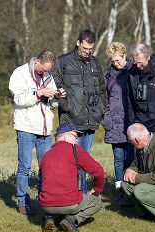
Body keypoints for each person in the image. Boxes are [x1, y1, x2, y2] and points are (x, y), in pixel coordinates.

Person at [9, 50, 64, 215]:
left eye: (48, 70)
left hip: (45, 129)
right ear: (37, 62)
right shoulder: (20, 73)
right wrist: (38, 93)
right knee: (25, 166)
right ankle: (22, 202)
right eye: (42, 69)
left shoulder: (48, 76)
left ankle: (44, 200)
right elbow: (18, 99)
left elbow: (52, 103)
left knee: (46, 167)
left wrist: (57, 97)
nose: (44, 72)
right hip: (26, 127)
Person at [53, 29, 106, 193]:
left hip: (90, 119)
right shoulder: (63, 61)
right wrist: (65, 105)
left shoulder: (95, 63)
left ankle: (81, 194)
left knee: (84, 159)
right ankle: (69, 192)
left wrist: (101, 109)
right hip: (70, 120)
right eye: (85, 48)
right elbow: (54, 85)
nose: (87, 52)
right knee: (70, 159)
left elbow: (102, 89)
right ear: (78, 43)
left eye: (90, 49)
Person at [39, 123, 104, 232]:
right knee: (97, 203)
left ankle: (49, 218)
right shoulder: (74, 150)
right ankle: (71, 220)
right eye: (75, 136)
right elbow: (99, 171)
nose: (77, 140)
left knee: (54, 196)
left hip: (45, 205)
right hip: (69, 203)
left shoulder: (46, 155)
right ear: (65, 136)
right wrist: (97, 189)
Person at [102, 42, 135, 203]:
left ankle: (130, 191)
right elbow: (104, 96)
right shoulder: (108, 74)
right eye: (113, 61)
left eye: (118, 60)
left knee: (130, 157)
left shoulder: (133, 71)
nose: (116, 64)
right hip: (113, 122)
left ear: (124, 55)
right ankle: (119, 190)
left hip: (129, 121)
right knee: (118, 158)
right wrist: (105, 115)